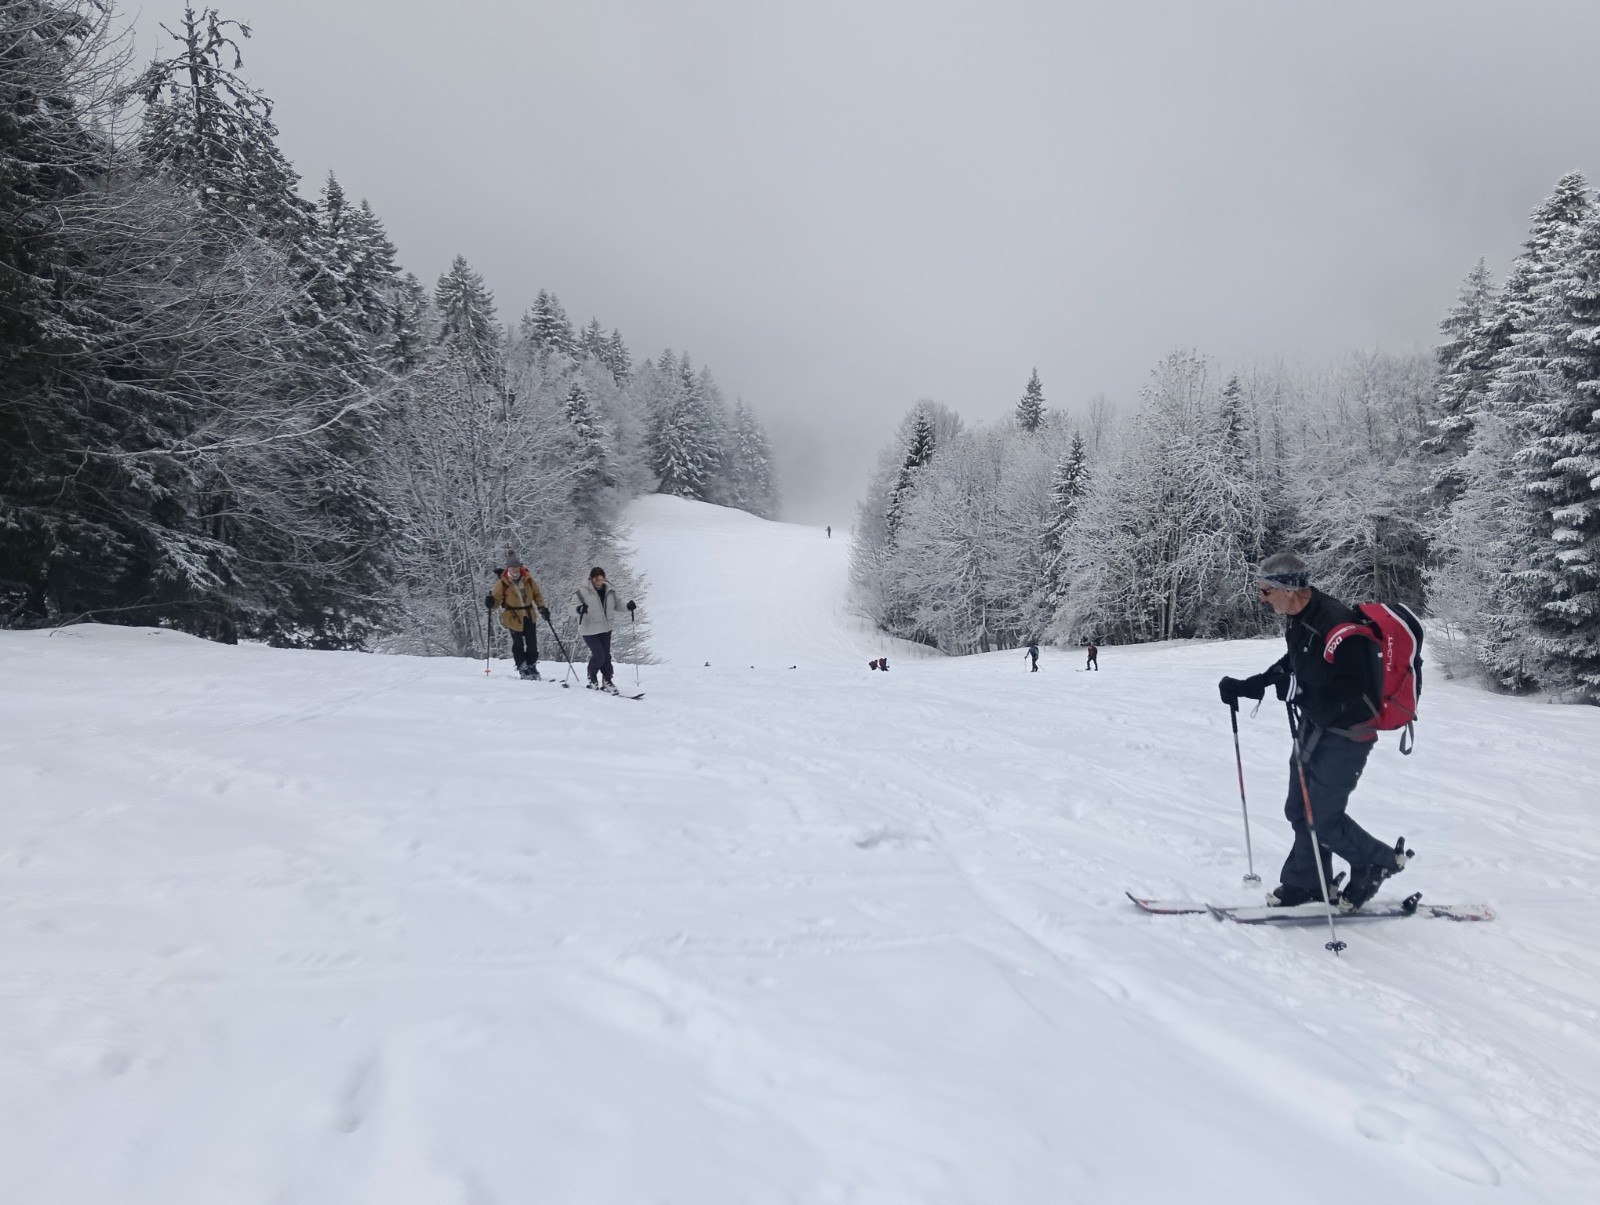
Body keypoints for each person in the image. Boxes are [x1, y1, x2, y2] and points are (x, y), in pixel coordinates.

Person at [1218, 552, 1409, 911]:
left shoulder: (1338, 625)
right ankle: (1307, 882)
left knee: (1321, 818)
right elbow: (1294, 663)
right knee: (1298, 809)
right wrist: (1251, 685)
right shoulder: (1300, 618)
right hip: (1315, 725)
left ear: (1289, 589)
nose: (1261, 599)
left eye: (1265, 591)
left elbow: (1358, 690)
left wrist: (1303, 693)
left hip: (1349, 733)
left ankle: (1377, 861)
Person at [486, 553, 549, 680]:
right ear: (508, 568)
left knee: (532, 643)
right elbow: (496, 601)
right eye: (512, 567)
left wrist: (542, 607)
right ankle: (522, 666)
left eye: (517, 566)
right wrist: (491, 603)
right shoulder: (502, 583)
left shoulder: (527, 578)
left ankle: (531, 665)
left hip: (529, 614)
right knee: (518, 644)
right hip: (513, 616)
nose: (515, 569)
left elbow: (536, 594)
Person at [574, 565, 623, 693]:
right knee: (600, 655)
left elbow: (618, 604)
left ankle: (607, 680)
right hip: (589, 629)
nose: (599, 582)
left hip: (605, 628)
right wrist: (578, 609)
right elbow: (572, 607)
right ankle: (592, 676)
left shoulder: (609, 590)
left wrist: (628, 606)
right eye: (597, 580)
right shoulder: (583, 591)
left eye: (601, 579)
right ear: (591, 578)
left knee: (606, 656)